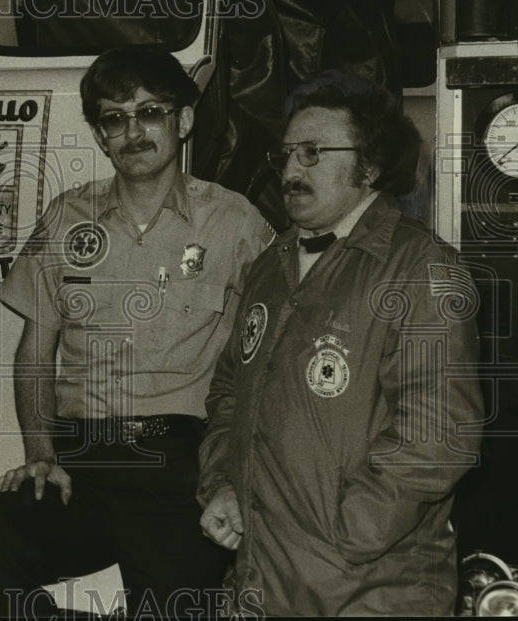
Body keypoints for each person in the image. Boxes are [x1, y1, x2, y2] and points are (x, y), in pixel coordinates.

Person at [0, 45, 275, 618]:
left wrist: (235, 474)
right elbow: (36, 351)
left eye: (150, 112)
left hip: (179, 467)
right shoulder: (67, 216)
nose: (133, 131)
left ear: (184, 120)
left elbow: (273, 349)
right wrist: (40, 453)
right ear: (100, 137)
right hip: (81, 464)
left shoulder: (235, 222)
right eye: (114, 118)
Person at [198, 74, 484, 616]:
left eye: (312, 153)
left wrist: (347, 533)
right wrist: (224, 484)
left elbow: (440, 433)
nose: (291, 170)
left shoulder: (420, 268)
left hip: (372, 593)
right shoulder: (269, 266)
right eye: (285, 154)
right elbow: (229, 392)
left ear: (369, 167)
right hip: (261, 584)